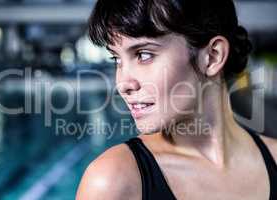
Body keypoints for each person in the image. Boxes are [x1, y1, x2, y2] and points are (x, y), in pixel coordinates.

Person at [76, 0, 277, 199]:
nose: (122, 84)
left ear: (212, 56)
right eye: (117, 59)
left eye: (144, 55)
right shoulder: (112, 181)